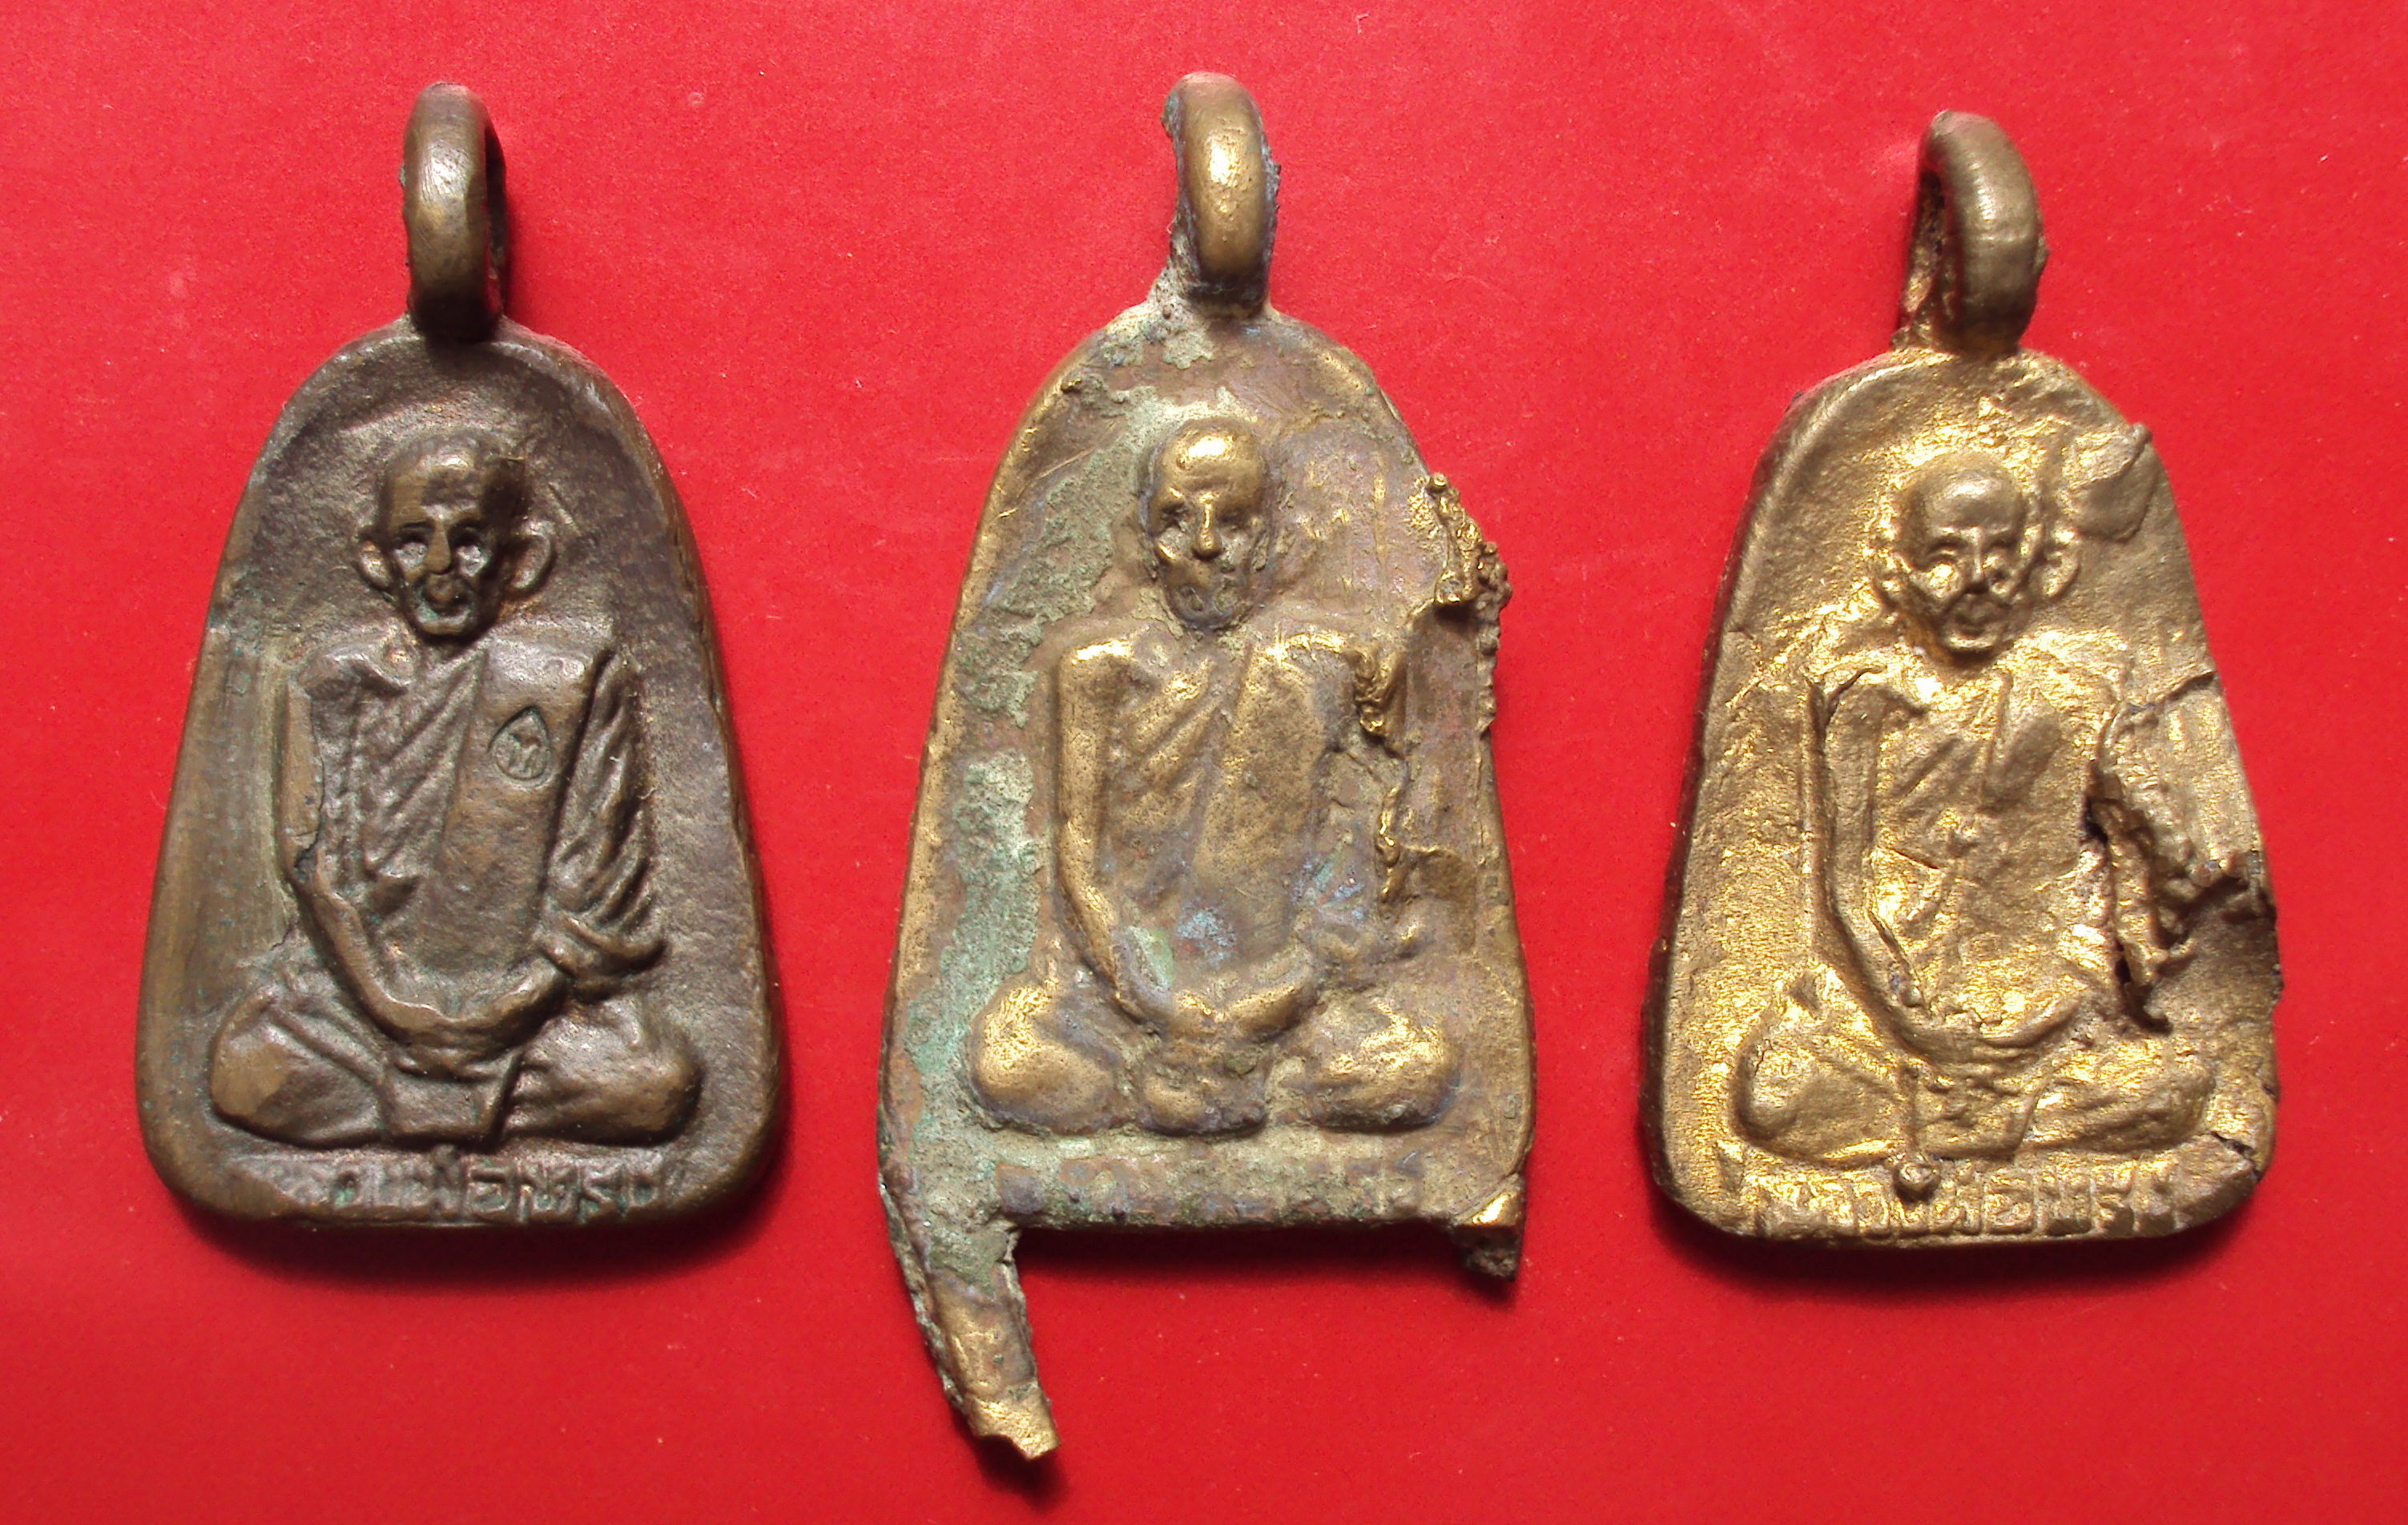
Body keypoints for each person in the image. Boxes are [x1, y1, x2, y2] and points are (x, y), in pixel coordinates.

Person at [1738, 450, 2211, 1197]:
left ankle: (1965, 1131)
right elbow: (1841, 890)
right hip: (1893, 1013)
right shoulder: (1868, 698)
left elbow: (2131, 865)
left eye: (1999, 555)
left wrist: (2174, 865)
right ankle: (1981, 1123)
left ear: (2040, 566)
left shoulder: (2080, 696)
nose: (1975, 581)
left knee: (2178, 1087)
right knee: (1774, 1097)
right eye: (1944, 557)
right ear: (1897, 573)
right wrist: (1907, 1016)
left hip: (2048, 1013)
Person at [209, 429, 698, 1148]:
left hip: (527, 1015)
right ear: (375, 560)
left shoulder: (572, 681)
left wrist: (501, 1015)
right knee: (245, 1072)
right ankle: (461, 1110)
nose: (440, 567)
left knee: (657, 1082)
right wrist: (395, 1009)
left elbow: (593, 898)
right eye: (414, 541)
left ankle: (412, 1110)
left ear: (521, 561)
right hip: (357, 1006)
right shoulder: (330, 682)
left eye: (468, 542)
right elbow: (314, 874)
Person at [968, 418, 1457, 1137]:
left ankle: (1211, 1092)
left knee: (1422, 1068)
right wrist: (1155, 1000)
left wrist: (1273, 1001)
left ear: (1268, 543)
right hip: (1126, 999)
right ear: (1145, 544)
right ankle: (1191, 1093)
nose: (1204, 545)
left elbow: (1349, 879)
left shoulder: (1323, 673)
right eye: (1177, 519)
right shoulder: (1096, 674)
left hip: (1280, 1006)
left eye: (1231, 522)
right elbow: (1079, 869)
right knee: (1005, 1063)